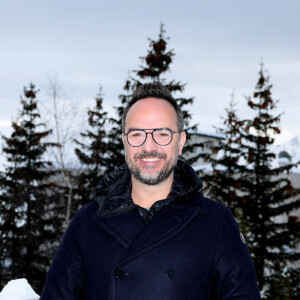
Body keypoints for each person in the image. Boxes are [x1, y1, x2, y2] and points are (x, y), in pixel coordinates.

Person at [40, 82, 261, 299]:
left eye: (163, 133)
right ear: (124, 141)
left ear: (180, 141)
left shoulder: (216, 222)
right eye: (137, 134)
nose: (148, 147)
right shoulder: (86, 223)